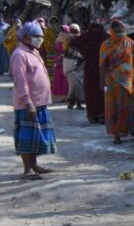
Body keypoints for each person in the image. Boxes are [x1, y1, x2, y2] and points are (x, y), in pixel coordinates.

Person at [10, 20, 57, 180]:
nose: (40, 39)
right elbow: (20, 81)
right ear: (26, 37)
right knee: (27, 136)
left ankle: (34, 165)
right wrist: (28, 102)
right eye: (36, 36)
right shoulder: (19, 54)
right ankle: (27, 169)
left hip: (40, 102)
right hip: (27, 103)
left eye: (41, 36)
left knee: (37, 135)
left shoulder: (34, 52)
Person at [99, 19, 134, 144]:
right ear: (111, 32)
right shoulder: (106, 45)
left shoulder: (132, 44)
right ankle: (116, 134)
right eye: (117, 31)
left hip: (130, 82)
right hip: (113, 83)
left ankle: (133, 130)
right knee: (115, 108)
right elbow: (102, 65)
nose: (119, 33)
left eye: (121, 31)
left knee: (131, 107)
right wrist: (102, 81)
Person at [70, 19, 108, 123]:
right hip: (102, 68)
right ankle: (102, 114)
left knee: (91, 92)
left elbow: (72, 44)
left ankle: (92, 115)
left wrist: (83, 53)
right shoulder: (105, 36)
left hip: (90, 67)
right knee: (101, 92)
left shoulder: (86, 36)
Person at [63, 24, 86, 110]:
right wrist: (78, 57)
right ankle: (71, 102)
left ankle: (79, 103)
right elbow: (66, 53)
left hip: (80, 66)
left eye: (75, 31)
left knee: (80, 85)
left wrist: (82, 58)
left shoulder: (82, 40)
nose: (74, 33)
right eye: (72, 31)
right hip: (70, 65)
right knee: (73, 85)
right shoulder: (67, 40)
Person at [51, 25, 71, 101]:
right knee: (64, 78)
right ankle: (65, 96)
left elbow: (55, 49)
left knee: (58, 78)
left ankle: (58, 96)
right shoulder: (67, 37)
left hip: (58, 59)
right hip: (64, 58)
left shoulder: (58, 37)